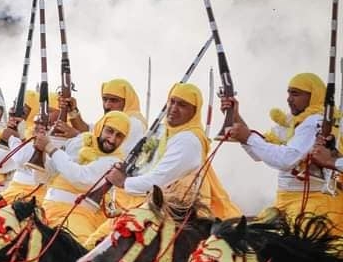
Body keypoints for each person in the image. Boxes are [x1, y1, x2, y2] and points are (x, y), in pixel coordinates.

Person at [94, 83, 239, 248]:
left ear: (194, 111)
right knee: (94, 243)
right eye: (172, 101)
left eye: (182, 105)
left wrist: (123, 182)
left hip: (171, 217)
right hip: (146, 207)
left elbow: (158, 180)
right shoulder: (163, 130)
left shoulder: (189, 140)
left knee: (101, 247)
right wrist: (128, 171)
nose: (174, 108)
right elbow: (146, 166)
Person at [222, 72, 343, 231]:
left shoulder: (316, 121)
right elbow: (260, 152)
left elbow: (287, 159)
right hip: (285, 202)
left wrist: (248, 138)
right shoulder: (294, 121)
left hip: (312, 204)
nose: (289, 99)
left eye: (295, 94)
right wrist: (235, 117)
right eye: (288, 93)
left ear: (313, 96)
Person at [36, 111, 130, 244]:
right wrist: (40, 152)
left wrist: (50, 148)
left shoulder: (115, 162)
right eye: (109, 131)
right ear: (100, 128)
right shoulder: (79, 141)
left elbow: (81, 178)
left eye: (119, 136)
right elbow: (47, 174)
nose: (112, 139)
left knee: (74, 249)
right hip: (45, 208)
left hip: (78, 216)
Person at [57, 78, 147, 154]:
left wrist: (77, 136)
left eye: (114, 100)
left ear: (127, 101)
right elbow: (90, 131)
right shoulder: (113, 120)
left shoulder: (133, 123)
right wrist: (73, 111)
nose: (107, 105)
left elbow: (110, 151)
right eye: (105, 99)